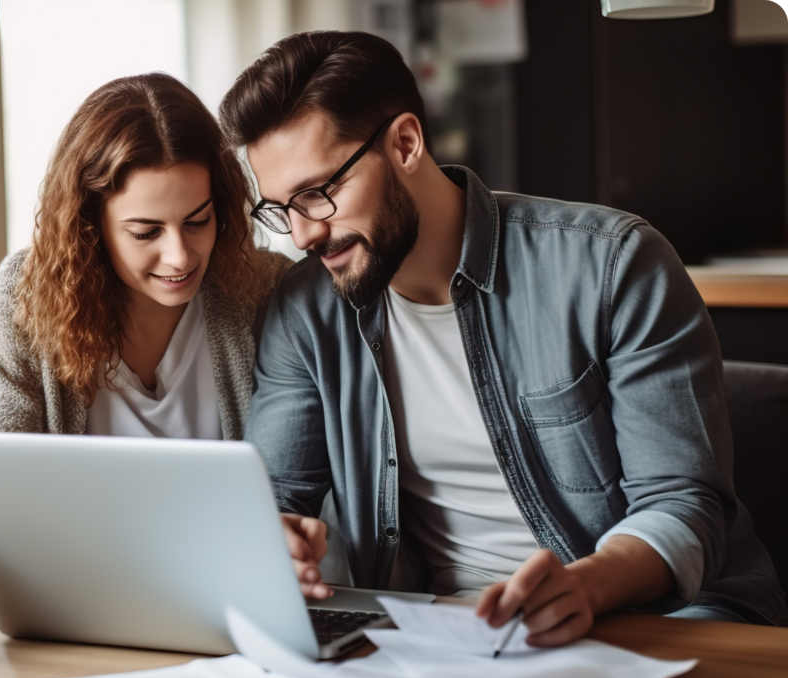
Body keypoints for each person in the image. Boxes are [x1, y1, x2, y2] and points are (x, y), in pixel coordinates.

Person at [219, 31, 788, 645]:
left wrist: (587, 585)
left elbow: (685, 505)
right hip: (437, 634)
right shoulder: (306, 311)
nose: (301, 235)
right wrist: (274, 535)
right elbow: (278, 494)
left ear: (406, 144)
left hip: (660, 619)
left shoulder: (614, 266)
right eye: (280, 209)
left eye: (318, 194)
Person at [0, 73, 290, 442]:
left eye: (197, 221)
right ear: (89, 227)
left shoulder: (269, 290)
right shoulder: (26, 293)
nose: (179, 256)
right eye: (146, 232)